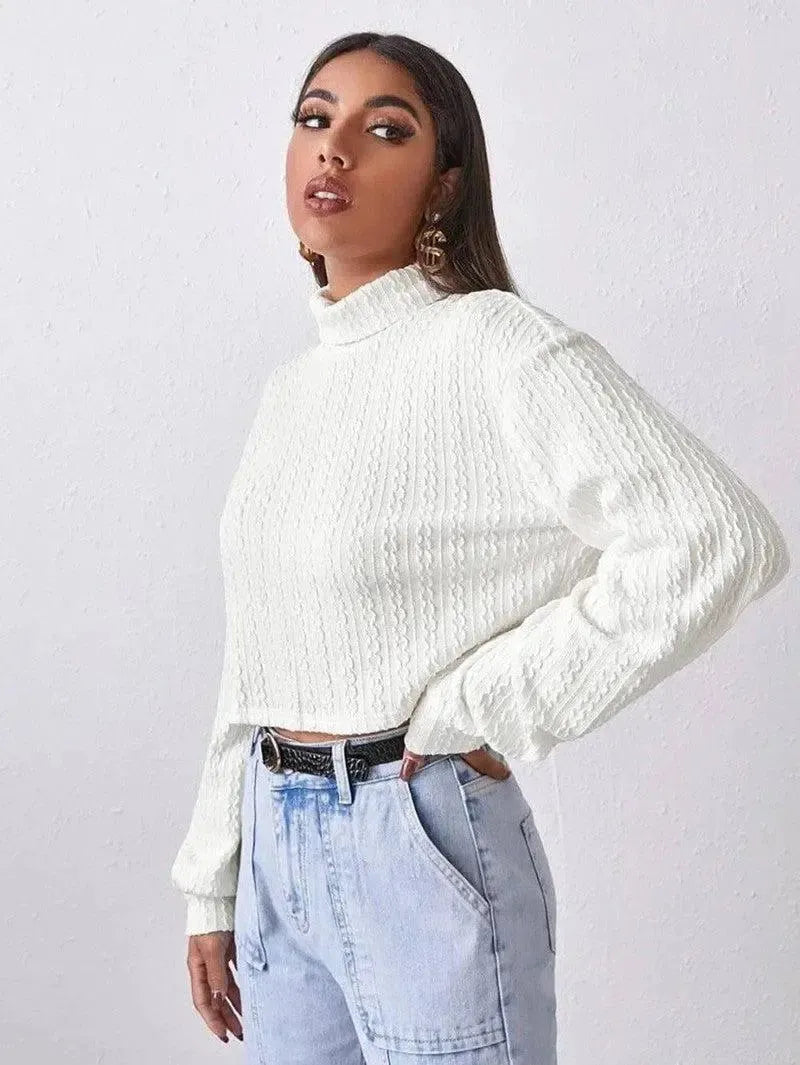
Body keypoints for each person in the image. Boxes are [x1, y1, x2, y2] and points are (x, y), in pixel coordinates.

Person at [170, 32, 790, 1063]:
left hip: (416, 840)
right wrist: (212, 878)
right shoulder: (291, 393)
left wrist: (487, 703)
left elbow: (716, 538)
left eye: (385, 130)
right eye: (314, 118)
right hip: (272, 843)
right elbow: (256, 655)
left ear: (444, 183)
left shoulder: (497, 345)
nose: (333, 148)